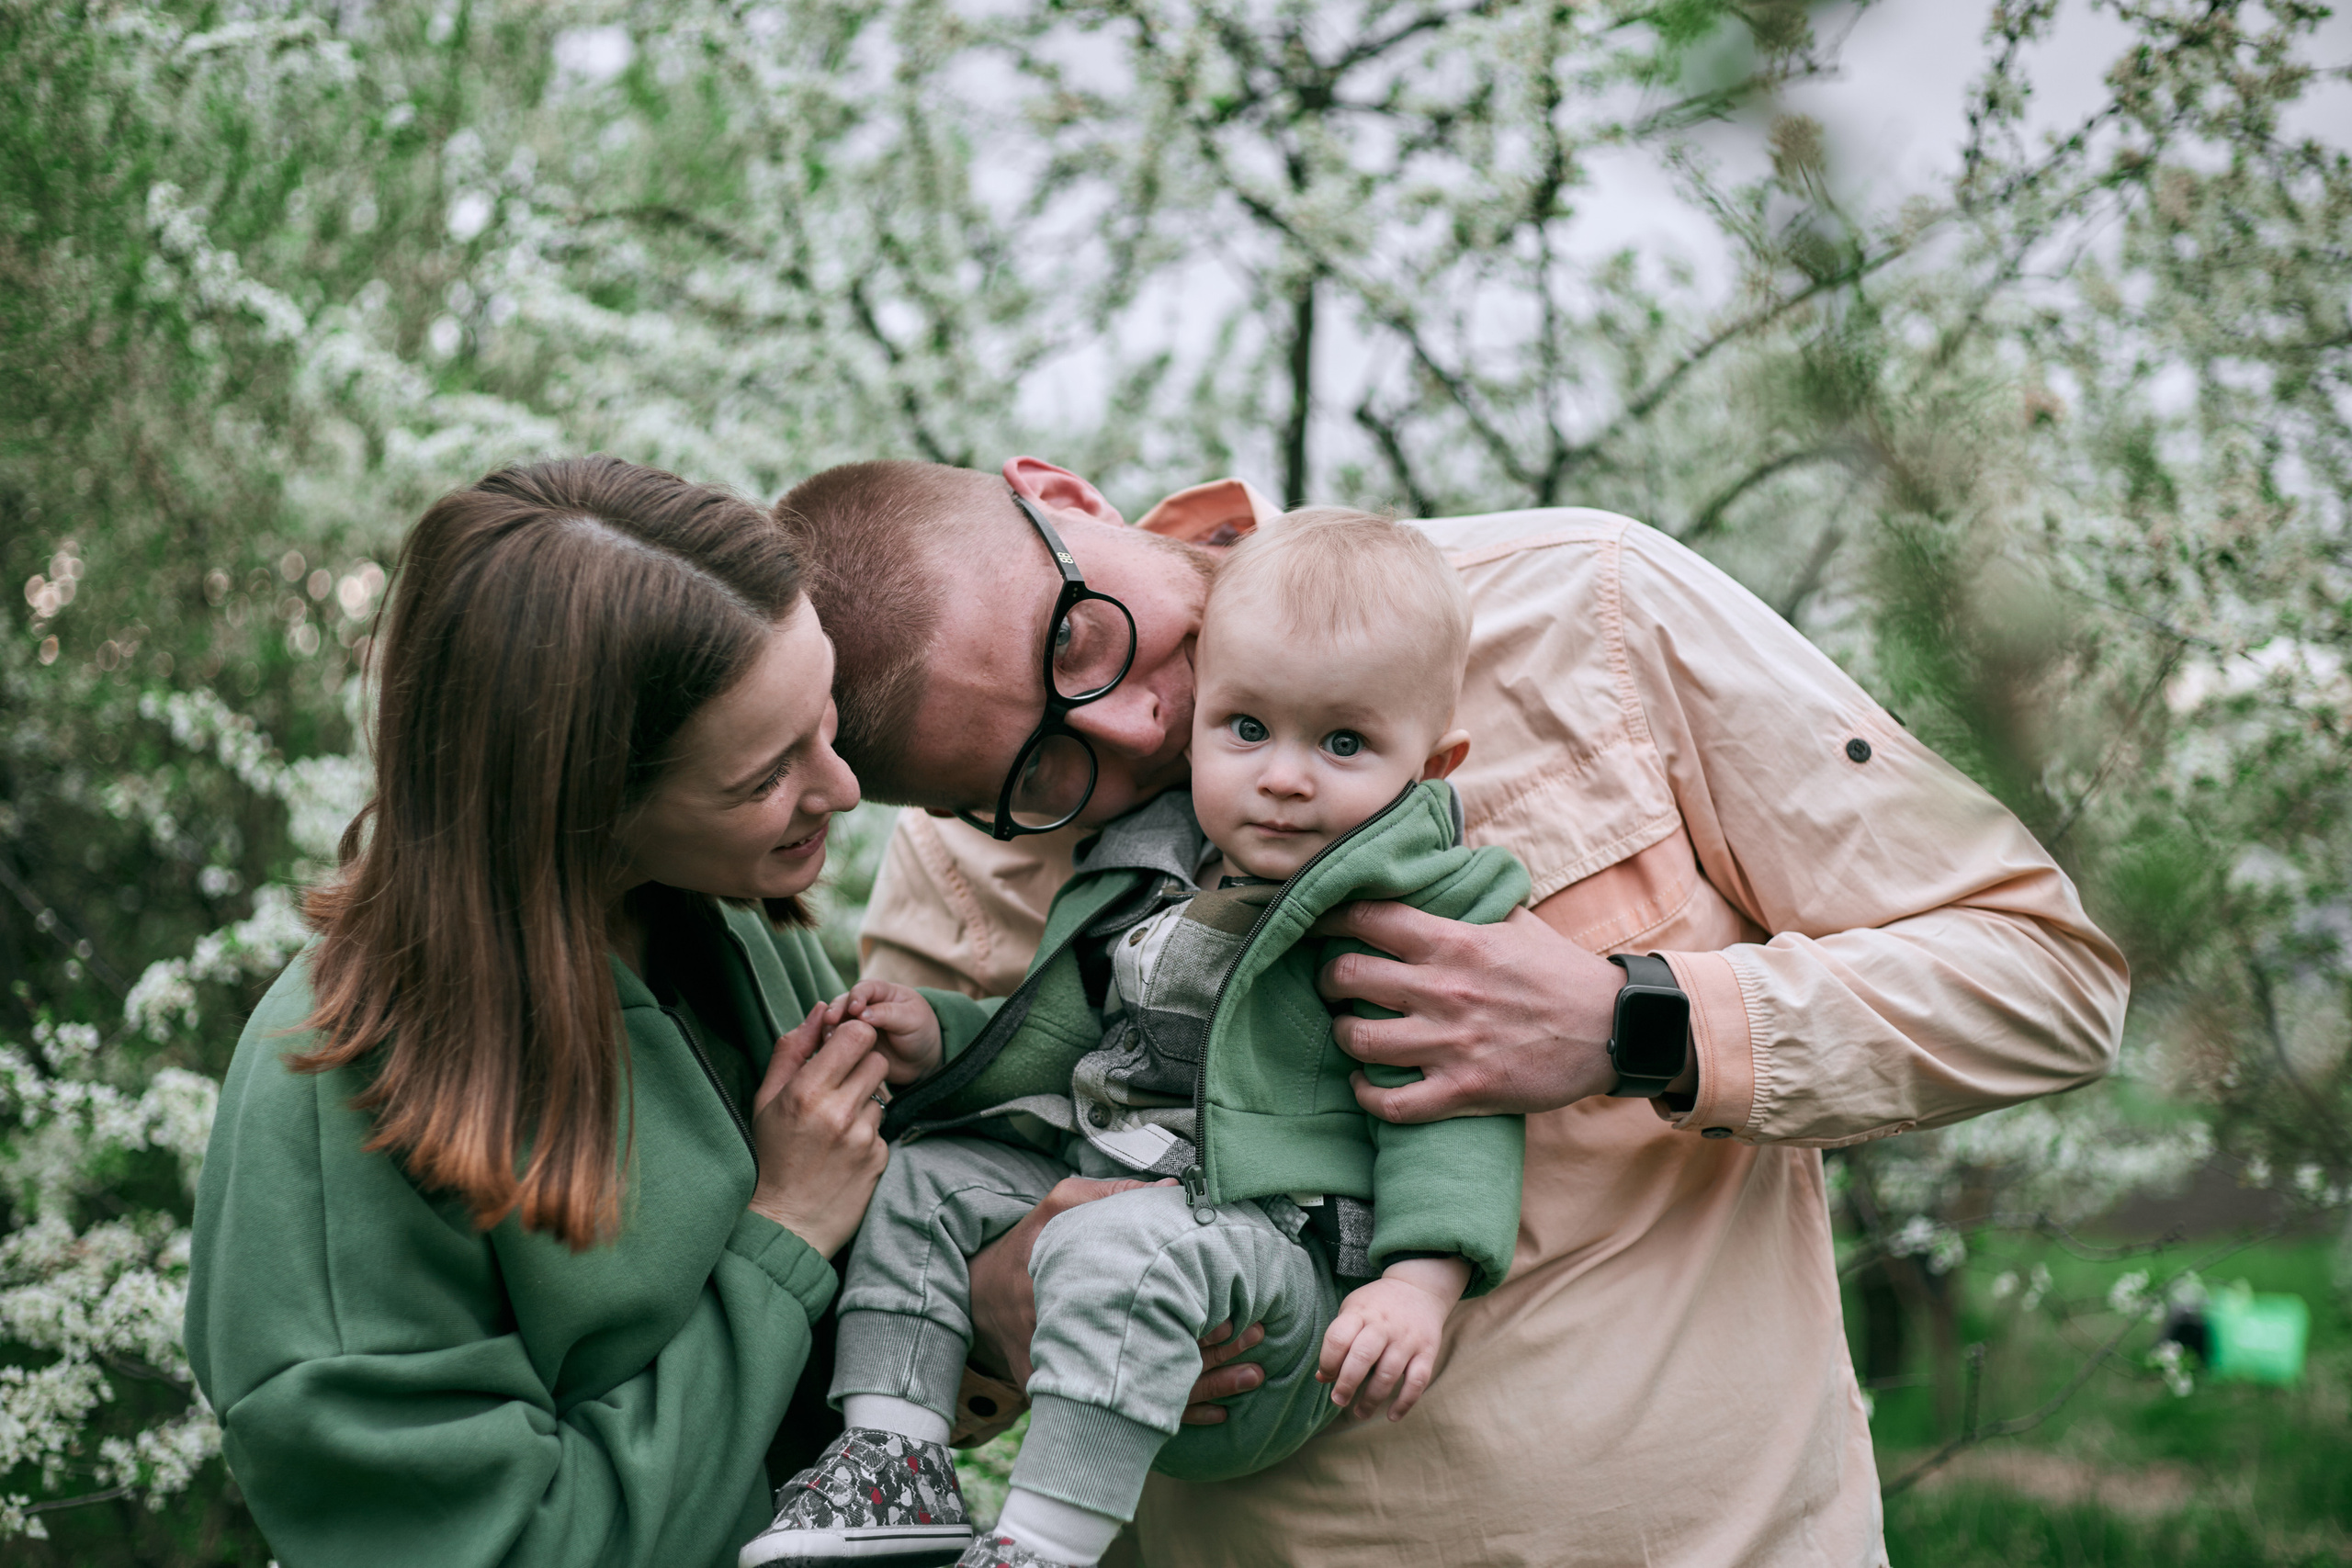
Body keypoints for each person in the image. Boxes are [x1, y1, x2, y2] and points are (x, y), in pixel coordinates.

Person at [774, 458, 2132, 1567]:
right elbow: (921, 1261)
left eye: (1081, 639)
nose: (1134, 730)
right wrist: (1004, 1303)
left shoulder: (1582, 604)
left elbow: (2047, 979)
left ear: (1062, 492)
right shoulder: (962, 865)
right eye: (1043, 771)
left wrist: (1632, 1019)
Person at [741, 510, 1530, 1568]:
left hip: (1272, 1259)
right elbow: (1072, 1027)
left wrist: (1416, 1284)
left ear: (1431, 760)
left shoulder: (1416, 906)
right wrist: (949, 1036)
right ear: (1204, 715)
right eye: (1247, 730)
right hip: (1115, 1198)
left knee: (1115, 1244)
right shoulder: (1152, 860)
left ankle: (1040, 1546)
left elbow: (1455, 1098)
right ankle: (893, 1458)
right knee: (921, 1180)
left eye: (1343, 744)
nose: (1285, 776)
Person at [186, 457, 895, 1568]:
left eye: (828, 715)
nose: (844, 787)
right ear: (579, 801)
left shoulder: (724, 924)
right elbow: (501, 1546)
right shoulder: (344, 1086)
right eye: (764, 774)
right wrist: (783, 1240)